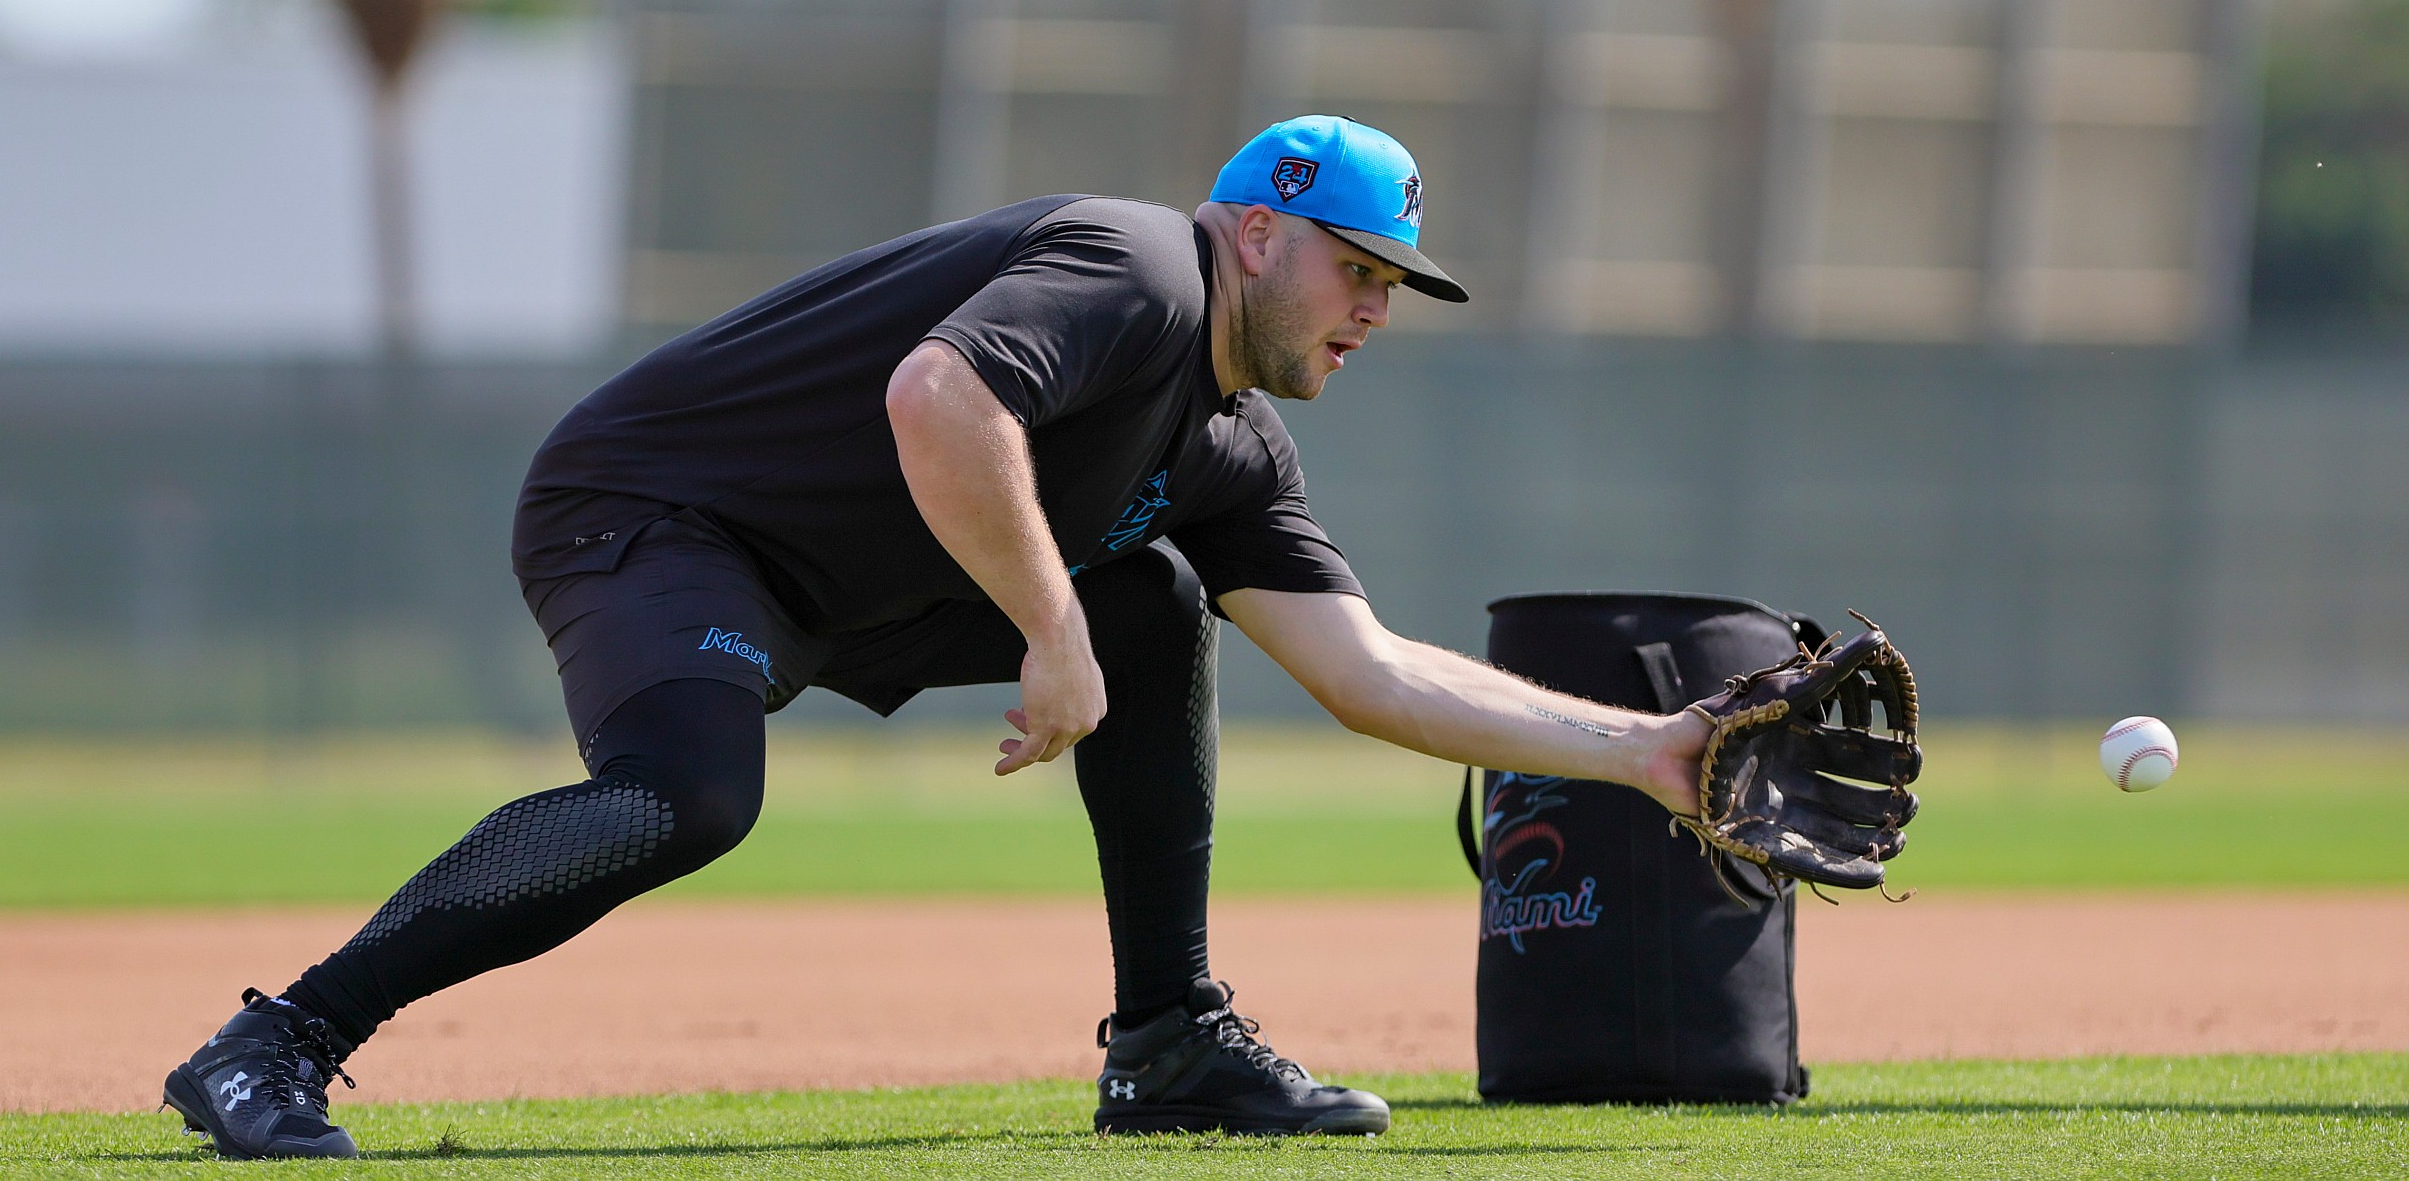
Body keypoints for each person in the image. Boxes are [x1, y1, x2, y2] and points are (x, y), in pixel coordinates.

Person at [162, 115, 1710, 1159]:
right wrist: (1050, 625)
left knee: (1158, 603)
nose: (1374, 307)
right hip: (660, 514)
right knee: (687, 796)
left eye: (1392, 284)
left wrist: (1647, 752)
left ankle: (1167, 1044)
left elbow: (1367, 671)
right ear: (1253, 234)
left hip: (851, 573)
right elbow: (939, 395)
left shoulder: (1234, 448)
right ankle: (275, 1044)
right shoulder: (1140, 269)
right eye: (1355, 268)